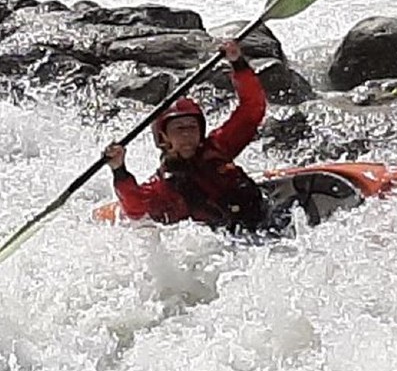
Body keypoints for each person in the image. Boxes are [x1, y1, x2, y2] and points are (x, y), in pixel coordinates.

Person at [102, 38, 281, 233]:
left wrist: (238, 63)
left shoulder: (218, 146)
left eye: (192, 127)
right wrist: (119, 169)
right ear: (164, 138)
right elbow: (135, 208)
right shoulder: (163, 185)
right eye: (179, 129)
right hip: (227, 247)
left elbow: (252, 108)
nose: (187, 134)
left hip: (264, 222)